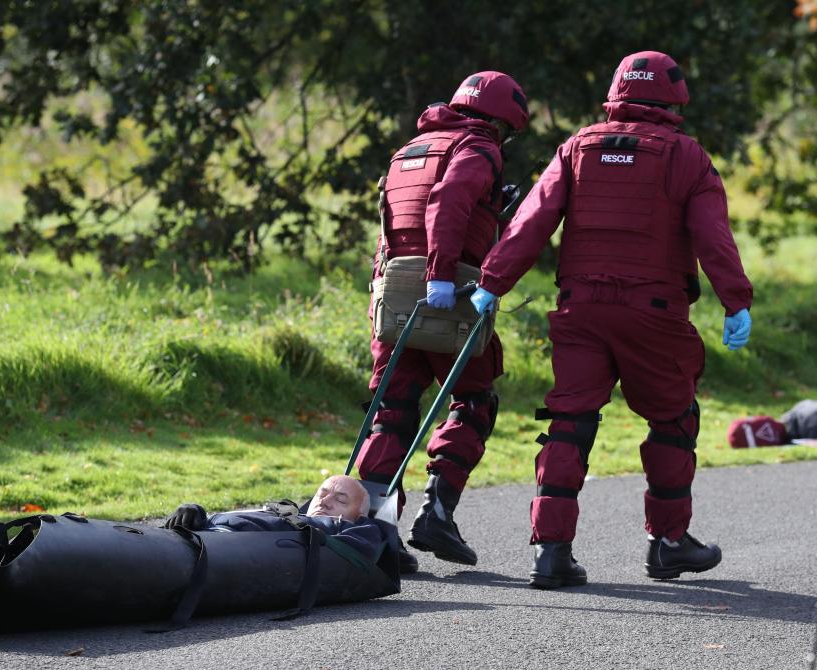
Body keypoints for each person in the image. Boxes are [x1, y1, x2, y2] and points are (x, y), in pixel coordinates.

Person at [470, 51, 754, 588]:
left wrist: (491, 282)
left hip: (580, 310)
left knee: (569, 420)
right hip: (654, 314)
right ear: (675, 97)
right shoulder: (687, 157)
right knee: (673, 418)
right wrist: (736, 301)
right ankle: (668, 544)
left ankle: (551, 551)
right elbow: (713, 238)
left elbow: (531, 220)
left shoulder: (577, 147)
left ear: (617, 92)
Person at [356, 71, 529, 569]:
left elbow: (400, 222)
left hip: (392, 294)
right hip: (449, 291)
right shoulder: (478, 148)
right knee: (474, 401)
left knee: (391, 411)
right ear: (500, 122)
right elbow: (449, 199)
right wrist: (440, 276)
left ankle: (375, 535)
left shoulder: (410, 150)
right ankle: (437, 512)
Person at [163, 475, 384, 561]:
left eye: (341, 500)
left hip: (224, 547)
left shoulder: (350, 529)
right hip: (203, 533)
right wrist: (194, 511)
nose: (325, 502)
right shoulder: (287, 513)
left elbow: (365, 547)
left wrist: (364, 521)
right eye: (322, 493)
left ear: (359, 516)